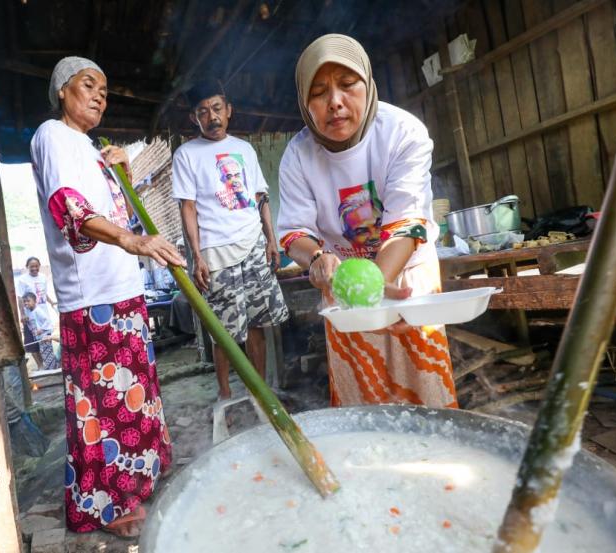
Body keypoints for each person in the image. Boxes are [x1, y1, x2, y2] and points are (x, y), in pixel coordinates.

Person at [30, 56, 185, 537]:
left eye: (104, 89)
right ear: (62, 91)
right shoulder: (52, 136)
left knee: (133, 397)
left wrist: (121, 172)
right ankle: (110, 503)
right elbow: (69, 208)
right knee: (104, 406)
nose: (99, 94)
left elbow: (120, 215)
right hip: (92, 297)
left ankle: (137, 483)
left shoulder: (92, 148)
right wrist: (135, 242)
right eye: (87, 84)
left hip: (122, 290)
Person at [277, 34, 457, 408]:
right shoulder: (297, 156)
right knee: (362, 398)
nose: (335, 102)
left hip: (406, 273)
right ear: (304, 102)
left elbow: (408, 222)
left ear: (367, 84)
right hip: (344, 282)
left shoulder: (401, 132)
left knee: (426, 389)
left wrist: (378, 286)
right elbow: (294, 232)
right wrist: (316, 260)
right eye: (319, 92)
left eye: (347, 85)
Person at [172, 78, 289, 401]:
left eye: (217, 108)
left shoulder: (244, 150)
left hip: (252, 243)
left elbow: (259, 196)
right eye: (204, 111)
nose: (212, 117)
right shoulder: (186, 155)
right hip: (216, 251)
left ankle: (260, 393)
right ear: (195, 118)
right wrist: (197, 255)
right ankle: (224, 395)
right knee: (222, 331)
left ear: (229, 110)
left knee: (257, 322)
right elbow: (189, 207)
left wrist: (271, 239)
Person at [16, 256, 56, 369]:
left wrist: (51, 302)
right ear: (27, 267)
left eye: (36, 266)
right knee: (31, 341)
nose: (34, 268)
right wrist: (22, 314)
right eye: (31, 266)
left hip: (42, 314)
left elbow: (43, 293)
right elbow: (20, 298)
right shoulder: (22, 279)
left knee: (45, 340)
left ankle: (50, 364)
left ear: (39, 266)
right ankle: (40, 365)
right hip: (29, 316)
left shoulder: (43, 277)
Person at [22, 292, 58, 373]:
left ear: (35, 301)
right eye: (24, 301)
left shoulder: (38, 311)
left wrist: (41, 329)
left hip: (45, 336)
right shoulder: (30, 312)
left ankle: (53, 368)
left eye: (28, 301)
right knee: (44, 353)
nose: (26, 303)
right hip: (39, 337)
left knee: (48, 352)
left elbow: (47, 321)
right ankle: (51, 367)